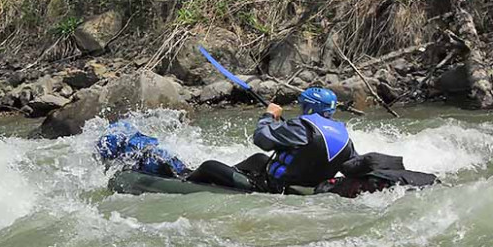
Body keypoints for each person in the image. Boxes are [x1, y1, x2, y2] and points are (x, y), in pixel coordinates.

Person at [187, 87, 357, 193]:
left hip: (273, 189)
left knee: (209, 166)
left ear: (310, 108)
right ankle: (228, 175)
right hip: (305, 190)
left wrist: (268, 116)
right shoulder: (345, 137)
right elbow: (351, 165)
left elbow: (261, 138)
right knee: (259, 159)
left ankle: (187, 181)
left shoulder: (302, 127)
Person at [95, 120, 190, 178]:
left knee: (168, 169)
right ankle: (184, 172)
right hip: (159, 152)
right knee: (180, 169)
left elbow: (109, 157)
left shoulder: (108, 139)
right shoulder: (125, 127)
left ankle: (180, 173)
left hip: (149, 159)